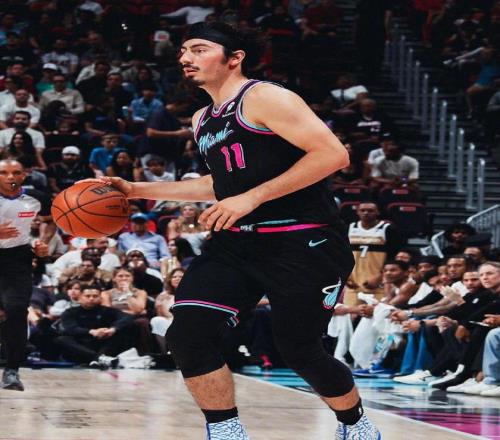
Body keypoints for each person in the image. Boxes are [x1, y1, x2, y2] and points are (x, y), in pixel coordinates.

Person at [84, 21, 380, 439]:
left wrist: (252, 198)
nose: (186, 58)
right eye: (183, 50)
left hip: (303, 239)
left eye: (199, 49)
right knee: (188, 335)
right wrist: (137, 190)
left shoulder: (264, 97)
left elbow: (333, 155)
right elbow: (218, 184)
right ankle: (226, 432)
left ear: (235, 58)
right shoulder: (202, 118)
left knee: (300, 350)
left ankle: (356, 423)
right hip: (237, 243)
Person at [0, 159, 48, 391]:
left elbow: (51, 221)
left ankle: (12, 370)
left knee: (17, 310)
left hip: (17, 259)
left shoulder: (37, 197)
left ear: (24, 175)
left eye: (16, 172)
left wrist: (43, 242)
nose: (10, 177)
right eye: (4, 172)